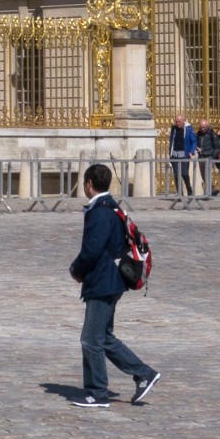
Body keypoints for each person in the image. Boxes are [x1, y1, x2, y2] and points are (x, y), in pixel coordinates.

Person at [67, 163, 157, 409]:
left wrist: (76, 270)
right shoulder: (112, 206)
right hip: (113, 280)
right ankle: (144, 374)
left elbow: (91, 250)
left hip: (103, 282)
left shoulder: (100, 212)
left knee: (90, 340)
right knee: (104, 338)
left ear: (88, 184)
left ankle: (97, 392)